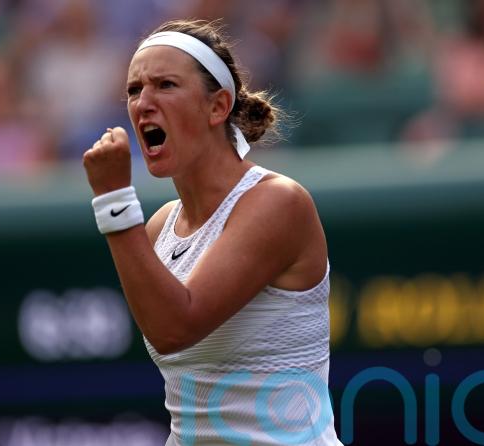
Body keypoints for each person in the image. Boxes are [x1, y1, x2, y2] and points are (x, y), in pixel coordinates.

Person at [83, 19, 342, 446]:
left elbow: (174, 329)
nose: (143, 103)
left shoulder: (278, 202)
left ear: (218, 106)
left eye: (165, 85)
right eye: (134, 90)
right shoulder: (159, 227)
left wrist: (114, 200)